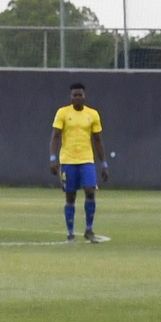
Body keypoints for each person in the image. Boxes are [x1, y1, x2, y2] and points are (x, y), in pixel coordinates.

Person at [49, 82, 107, 243]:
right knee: (70, 195)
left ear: (84, 96)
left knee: (90, 191)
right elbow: (55, 136)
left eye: (80, 95)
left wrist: (104, 163)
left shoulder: (92, 114)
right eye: (74, 95)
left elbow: (97, 139)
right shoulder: (63, 113)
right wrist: (53, 158)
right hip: (68, 160)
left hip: (86, 160)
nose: (77, 98)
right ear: (71, 96)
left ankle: (89, 230)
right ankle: (70, 232)